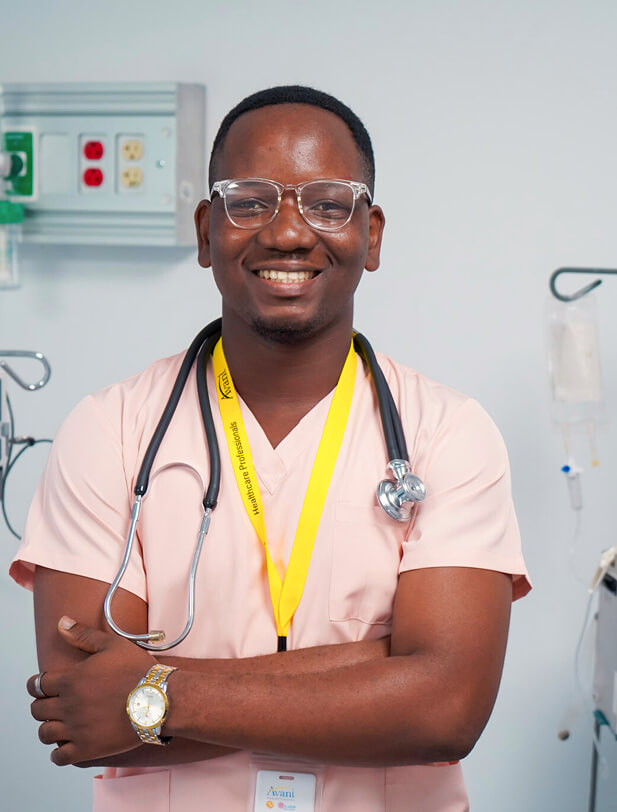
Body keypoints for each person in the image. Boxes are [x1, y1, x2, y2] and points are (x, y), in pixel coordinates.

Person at [12, 85, 530, 812]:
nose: (287, 233)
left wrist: (158, 692)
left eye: (328, 204)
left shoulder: (447, 430)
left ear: (372, 235)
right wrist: (383, 670)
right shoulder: (111, 429)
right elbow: (85, 713)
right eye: (249, 202)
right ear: (206, 232)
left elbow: (445, 709)